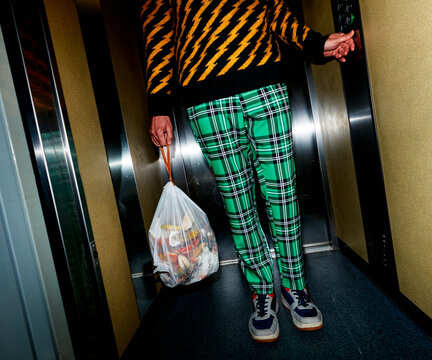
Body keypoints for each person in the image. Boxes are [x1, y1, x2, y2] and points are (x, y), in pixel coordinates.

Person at [141, 0, 355, 342]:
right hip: (205, 94)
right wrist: (158, 102)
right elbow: (158, 29)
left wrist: (316, 43)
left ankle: (294, 288)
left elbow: (276, 12)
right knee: (238, 204)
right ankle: (262, 292)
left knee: (282, 193)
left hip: (264, 81)